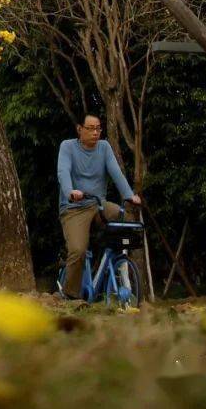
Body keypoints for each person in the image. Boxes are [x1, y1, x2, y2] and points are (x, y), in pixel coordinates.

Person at [57, 113, 141, 300]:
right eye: (90, 128)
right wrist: (70, 191)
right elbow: (63, 172)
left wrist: (129, 196)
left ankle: (117, 270)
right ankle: (70, 295)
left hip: (97, 205)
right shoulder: (68, 147)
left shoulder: (104, 148)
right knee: (78, 250)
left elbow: (116, 172)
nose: (95, 132)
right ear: (79, 129)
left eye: (98, 128)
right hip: (74, 208)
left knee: (122, 218)